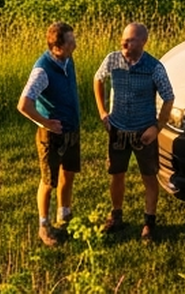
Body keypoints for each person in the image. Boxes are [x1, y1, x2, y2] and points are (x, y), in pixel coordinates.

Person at [92, 22, 175, 242]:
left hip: (143, 132)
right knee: (116, 173)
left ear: (143, 42)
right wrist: (102, 112)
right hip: (117, 128)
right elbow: (97, 79)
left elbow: (169, 97)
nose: (124, 43)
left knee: (149, 177)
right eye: (123, 39)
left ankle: (149, 222)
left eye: (130, 40)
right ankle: (116, 215)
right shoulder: (112, 59)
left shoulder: (154, 67)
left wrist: (157, 128)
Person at [16, 21, 80, 247]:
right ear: (57, 47)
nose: (75, 44)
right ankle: (44, 224)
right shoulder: (43, 70)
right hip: (51, 135)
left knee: (68, 173)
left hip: (71, 128)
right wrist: (45, 123)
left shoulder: (67, 60)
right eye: (71, 41)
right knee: (48, 180)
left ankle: (65, 215)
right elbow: (24, 104)